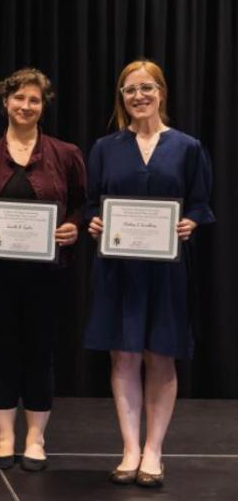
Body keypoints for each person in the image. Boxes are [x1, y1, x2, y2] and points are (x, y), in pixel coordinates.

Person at [86, 59, 214, 488]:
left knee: (161, 356)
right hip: (118, 269)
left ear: (161, 92)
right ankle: (129, 449)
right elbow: (91, 204)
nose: (138, 97)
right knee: (122, 356)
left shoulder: (187, 147)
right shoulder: (105, 147)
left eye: (145, 88)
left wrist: (192, 222)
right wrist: (94, 222)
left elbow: (199, 203)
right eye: (128, 90)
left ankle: (154, 451)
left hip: (166, 271)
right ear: (121, 98)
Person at [0, 68, 86, 472]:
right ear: (5, 102)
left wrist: (74, 226)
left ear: (43, 106)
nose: (25, 106)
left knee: (40, 352)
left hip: (47, 275)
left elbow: (81, 205)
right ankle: (4, 437)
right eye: (19, 98)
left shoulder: (66, 153)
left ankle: (35, 438)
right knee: (1, 350)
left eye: (34, 100)